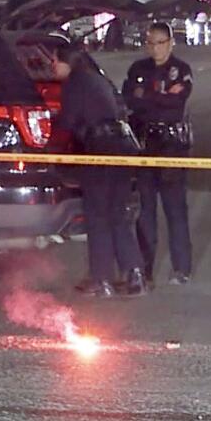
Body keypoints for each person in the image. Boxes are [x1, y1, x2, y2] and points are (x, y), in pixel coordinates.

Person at [52, 41, 147, 298]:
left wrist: (52, 127)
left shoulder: (74, 83)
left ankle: (101, 279)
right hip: (123, 149)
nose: (53, 66)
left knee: (97, 215)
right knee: (118, 213)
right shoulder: (97, 79)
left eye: (55, 61)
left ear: (66, 63)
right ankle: (135, 273)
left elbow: (69, 121)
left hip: (100, 151)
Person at [123, 22, 194, 286]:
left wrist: (149, 97)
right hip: (144, 144)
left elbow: (175, 106)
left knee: (175, 210)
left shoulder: (181, 70)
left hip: (172, 145)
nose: (155, 47)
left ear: (171, 42)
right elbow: (130, 100)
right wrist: (160, 95)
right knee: (145, 211)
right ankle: (145, 270)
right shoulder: (138, 69)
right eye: (150, 42)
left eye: (160, 42)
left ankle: (181, 268)